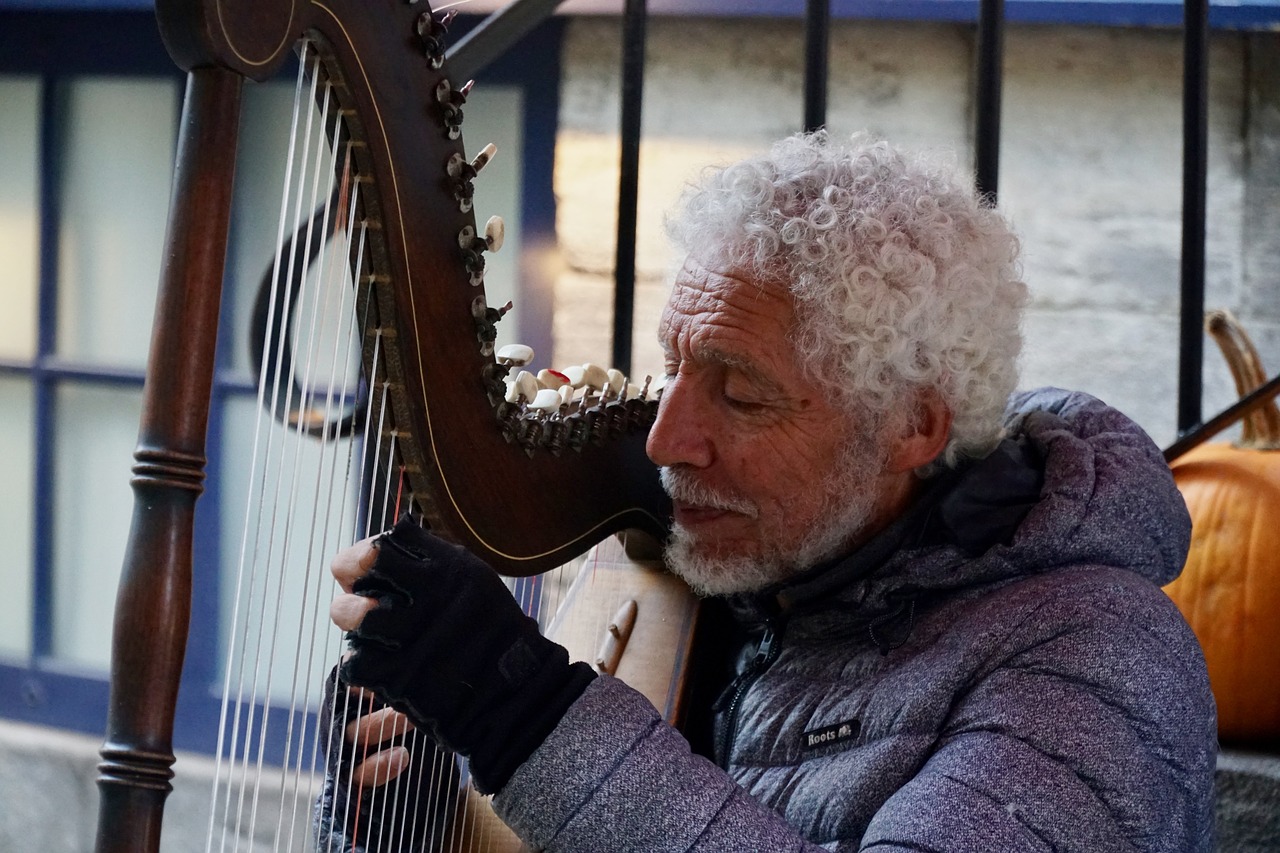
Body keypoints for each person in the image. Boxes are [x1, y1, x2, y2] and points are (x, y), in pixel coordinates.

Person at [320, 132, 1217, 851]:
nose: (667, 439)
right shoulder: (759, 576)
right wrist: (436, 818)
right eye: (672, 369)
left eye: (742, 393)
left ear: (913, 426)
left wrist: (521, 709)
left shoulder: (1098, 659)